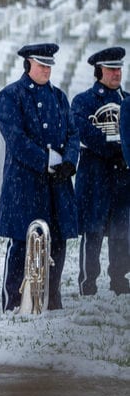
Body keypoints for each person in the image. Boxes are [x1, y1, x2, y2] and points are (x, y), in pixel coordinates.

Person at [0, 43, 79, 311]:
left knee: (57, 242)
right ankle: (13, 301)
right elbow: (16, 140)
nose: (46, 70)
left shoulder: (59, 97)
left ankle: (51, 298)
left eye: (49, 65)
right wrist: (47, 161)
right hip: (25, 183)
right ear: (28, 64)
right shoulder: (10, 96)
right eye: (41, 64)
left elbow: (73, 133)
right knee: (21, 242)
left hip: (57, 184)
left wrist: (69, 162)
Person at [71, 47, 130, 296]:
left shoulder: (127, 100)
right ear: (99, 71)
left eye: (119, 68)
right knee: (92, 232)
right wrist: (116, 146)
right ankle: (88, 282)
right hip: (95, 177)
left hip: (123, 179)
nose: (117, 73)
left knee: (122, 232)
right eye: (111, 69)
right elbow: (84, 133)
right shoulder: (83, 101)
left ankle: (119, 279)